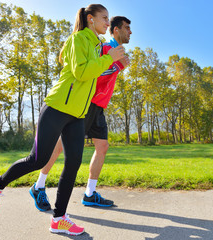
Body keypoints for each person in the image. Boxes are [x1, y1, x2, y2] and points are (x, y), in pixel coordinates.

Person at [0, 4, 125, 236]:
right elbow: (81, 72)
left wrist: (110, 61)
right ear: (90, 19)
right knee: (37, 160)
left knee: (73, 163)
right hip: (58, 107)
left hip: (78, 114)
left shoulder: (98, 44)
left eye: (109, 19)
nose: (108, 23)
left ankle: (59, 218)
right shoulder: (77, 39)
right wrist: (108, 59)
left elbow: (95, 73)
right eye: (104, 18)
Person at [29, 16, 132, 211]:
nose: (130, 32)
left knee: (102, 147)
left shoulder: (116, 50)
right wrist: (118, 66)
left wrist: (118, 65)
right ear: (116, 30)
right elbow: (92, 73)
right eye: (127, 28)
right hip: (87, 103)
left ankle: (90, 194)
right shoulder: (104, 47)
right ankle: (39, 186)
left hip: (99, 106)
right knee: (59, 146)